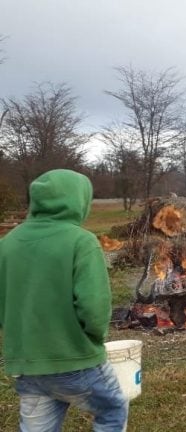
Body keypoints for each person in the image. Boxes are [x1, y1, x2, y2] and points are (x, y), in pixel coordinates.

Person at [0, 169, 129, 431]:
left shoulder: (7, 244)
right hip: (76, 359)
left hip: (28, 364)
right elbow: (94, 306)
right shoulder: (81, 242)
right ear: (79, 201)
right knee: (112, 409)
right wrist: (95, 337)